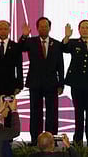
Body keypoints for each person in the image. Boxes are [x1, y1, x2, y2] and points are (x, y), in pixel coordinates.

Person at [18, 17, 65, 145]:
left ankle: (52, 140)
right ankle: (35, 140)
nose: (43, 28)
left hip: (52, 84)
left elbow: (60, 65)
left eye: (46, 26)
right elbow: (19, 48)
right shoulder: (31, 42)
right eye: (41, 26)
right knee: (35, 112)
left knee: (52, 113)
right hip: (35, 83)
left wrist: (61, 84)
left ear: (50, 28)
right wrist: (24, 35)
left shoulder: (56, 44)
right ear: (37, 28)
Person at [61, 20, 88, 147]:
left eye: (87, 27)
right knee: (78, 112)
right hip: (77, 84)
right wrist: (67, 36)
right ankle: (78, 140)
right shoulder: (73, 43)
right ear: (79, 30)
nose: (85, 29)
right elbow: (63, 48)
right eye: (82, 27)